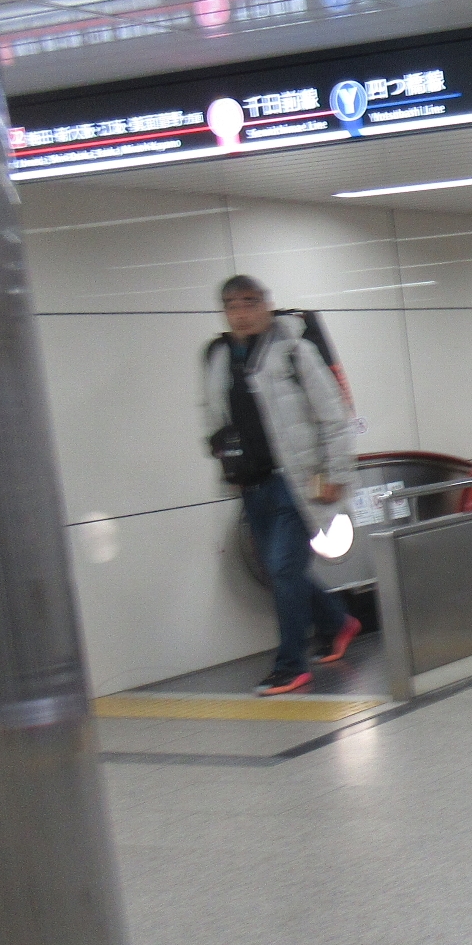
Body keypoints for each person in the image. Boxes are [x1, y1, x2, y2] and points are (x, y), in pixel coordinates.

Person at [201, 275, 359, 695]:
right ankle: (337, 621)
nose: (242, 311)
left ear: (267, 304)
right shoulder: (218, 357)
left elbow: (333, 416)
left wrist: (336, 475)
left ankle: (291, 664)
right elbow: (213, 416)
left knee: (285, 570)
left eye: (250, 302)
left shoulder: (294, 351)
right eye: (232, 304)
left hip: (297, 482)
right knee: (279, 570)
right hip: (252, 483)